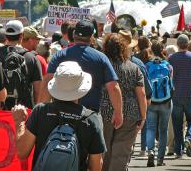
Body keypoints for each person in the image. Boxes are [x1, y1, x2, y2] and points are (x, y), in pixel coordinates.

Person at [12, 61, 106, 171]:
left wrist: (19, 122)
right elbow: (95, 167)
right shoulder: (91, 119)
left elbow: (22, 153)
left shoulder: (41, 111)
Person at [40, 20, 123, 129]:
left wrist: (41, 110)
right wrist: (118, 112)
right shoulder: (101, 57)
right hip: (90, 117)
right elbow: (113, 87)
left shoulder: (59, 55)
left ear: (73, 35)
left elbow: (47, 82)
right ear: (92, 37)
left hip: (61, 115)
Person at [100, 34, 147, 171]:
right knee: (121, 155)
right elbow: (141, 94)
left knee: (104, 151)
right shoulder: (134, 68)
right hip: (130, 115)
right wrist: (143, 116)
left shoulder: (101, 66)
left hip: (104, 112)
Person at [0, 20, 42, 108]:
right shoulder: (32, 58)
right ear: (21, 36)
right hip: (24, 111)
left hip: (1, 112)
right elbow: (38, 92)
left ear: (5, 36)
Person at [168, 34, 191, 158]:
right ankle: (189, 138)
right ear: (188, 43)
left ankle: (178, 151)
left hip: (176, 95)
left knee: (177, 123)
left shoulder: (171, 58)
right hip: (190, 94)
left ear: (177, 44)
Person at [145, 40, 173, 167]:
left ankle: (150, 152)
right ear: (162, 50)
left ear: (151, 50)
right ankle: (160, 159)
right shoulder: (168, 65)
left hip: (151, 101)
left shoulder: (147, 66)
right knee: (163, 130)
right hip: (166, 101)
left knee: (150, 128)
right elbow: (171, 84)